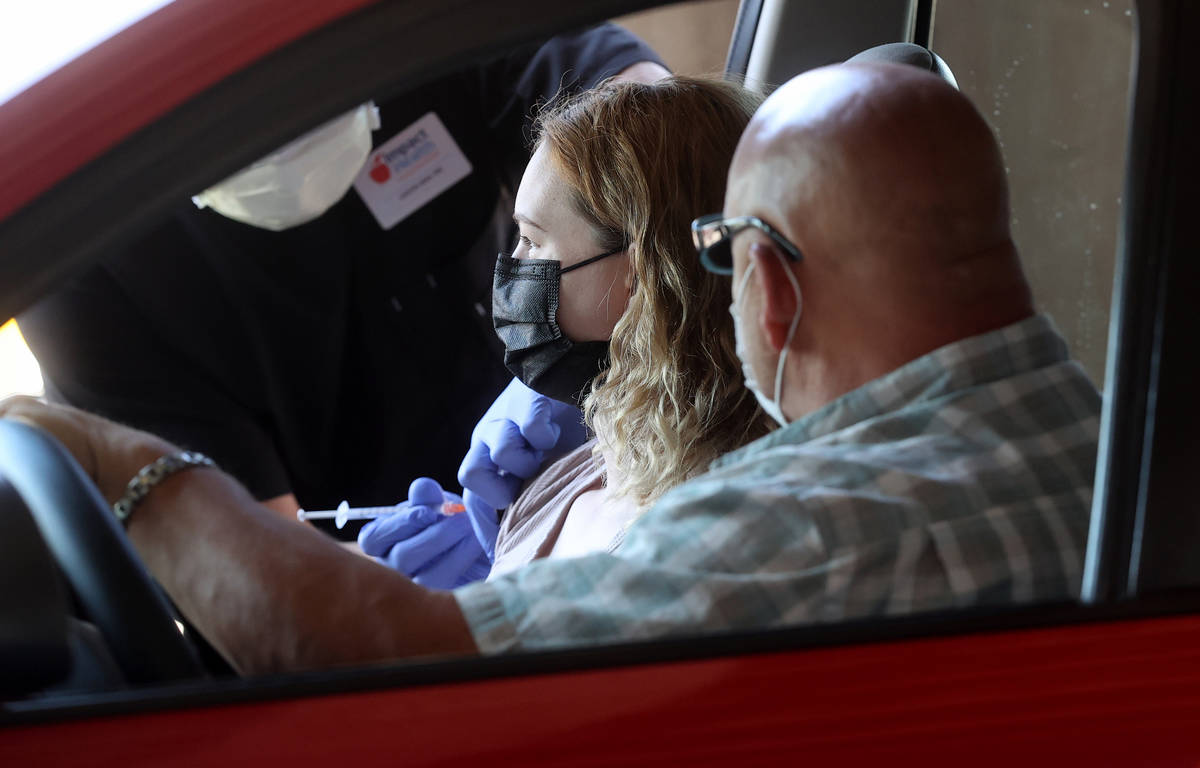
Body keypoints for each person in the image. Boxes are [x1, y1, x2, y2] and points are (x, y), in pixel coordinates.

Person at [0, 60, 1101, 675]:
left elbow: (378, 660)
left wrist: (111, 464)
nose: (511, 278)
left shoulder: (809, 529)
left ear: (759, 285)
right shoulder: (1106, 436)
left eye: (536, 246)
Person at [17, 25, 666, 525]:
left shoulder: (399, 31)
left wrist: (596, 389)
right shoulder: (77, 246)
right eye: (246, 123)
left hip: (558, 448)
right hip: (347, 557)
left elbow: (643, 111)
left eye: (297, 101)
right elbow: (260, 556)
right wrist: (465, 576)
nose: (282, 136)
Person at [356, 77, 772, 587]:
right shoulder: (573, 473)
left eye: (532, 239)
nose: (512, 265)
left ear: (640, 273)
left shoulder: (710, 535)